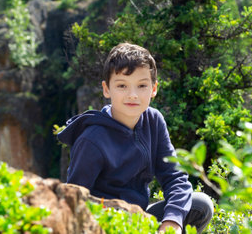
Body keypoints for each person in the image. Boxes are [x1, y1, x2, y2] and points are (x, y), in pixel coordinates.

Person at [57, 43, 213, 233]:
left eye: (141, 86)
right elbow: (74, 200)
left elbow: (175, 177)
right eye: (122, 85)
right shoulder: (91, 139)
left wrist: (172, 221)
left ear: (153, 89)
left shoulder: (153, 120)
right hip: (107, 224)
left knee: (201, 205)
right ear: (107, 89)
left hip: (140, 218)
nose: (132, 95)